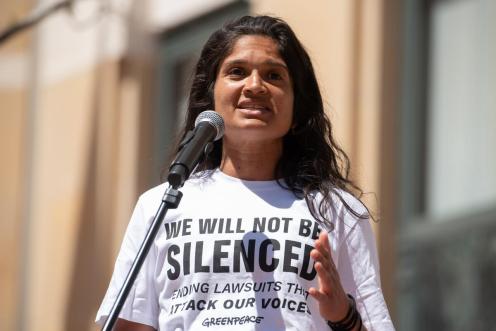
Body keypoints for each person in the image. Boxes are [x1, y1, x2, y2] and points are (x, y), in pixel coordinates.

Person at [96, 15, 395, 331]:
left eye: (274, 76)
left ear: (297, 111)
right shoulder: (163, 204)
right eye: (237, 72)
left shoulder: (336, 211)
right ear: (210, 98)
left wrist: (343, 316)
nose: (255, 86)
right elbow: (129, 325)